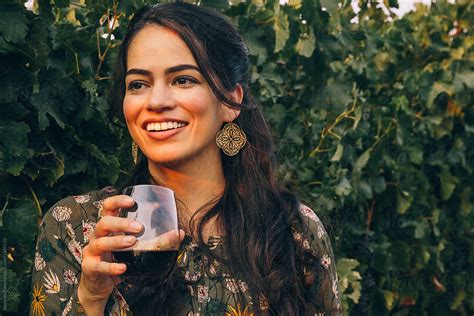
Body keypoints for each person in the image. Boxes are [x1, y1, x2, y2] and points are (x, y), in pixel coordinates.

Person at [30, 2, 341, 315]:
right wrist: (91, 298)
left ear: (232, 101)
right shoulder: (74, 226)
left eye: (183, 80)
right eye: (138, 84)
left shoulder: (293, 231)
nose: (157, 101)